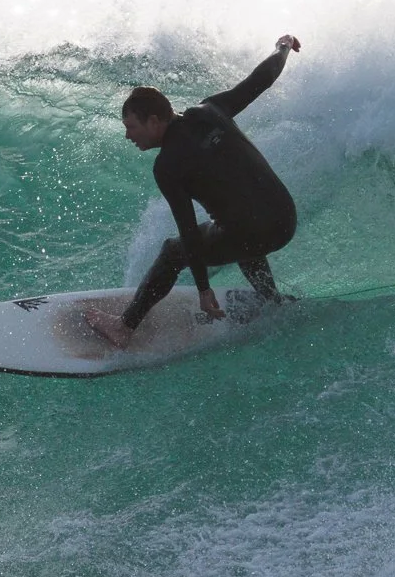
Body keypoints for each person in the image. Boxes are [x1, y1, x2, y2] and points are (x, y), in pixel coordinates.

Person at [85, 35, 303, 349]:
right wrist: (283, 47)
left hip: (254, 232)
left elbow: (187, 231)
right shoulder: (210, 110)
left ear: (154, 120)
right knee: (237, 231)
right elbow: (261, 79)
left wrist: (203, 289)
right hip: (284, 220)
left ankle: (124, 326)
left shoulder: (167, 165)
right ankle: (273, 300)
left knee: (173, 252)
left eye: (131, 126)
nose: (127, 135)